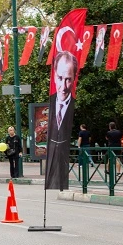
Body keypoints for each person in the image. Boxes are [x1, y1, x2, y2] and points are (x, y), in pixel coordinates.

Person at [45, 51, 78, 190]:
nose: (63, 86)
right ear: (54, 76)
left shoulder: (74, 106)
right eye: (60, 78)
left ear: (75, 77)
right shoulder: (49, 105)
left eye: (68, 79)